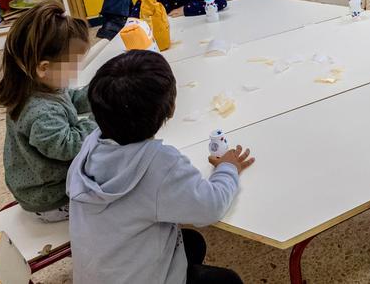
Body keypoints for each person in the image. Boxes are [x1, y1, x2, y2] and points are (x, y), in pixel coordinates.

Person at [67, 50, 253, 284]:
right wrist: (228, 167)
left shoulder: (90, 145)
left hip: (100, 273)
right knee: (227, 280)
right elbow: (212, 206)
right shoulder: (160, 164)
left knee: (192, 242)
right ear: (171, 108)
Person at [0, 0, 95, 222]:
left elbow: (71, 98)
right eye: (73, 64)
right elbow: (69, 146)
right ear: (44, 67)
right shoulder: (39, 111)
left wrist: (100, 95)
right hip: (51, 199)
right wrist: (102, 119)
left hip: (42, 185)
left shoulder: (40, 84)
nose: (77, 70)